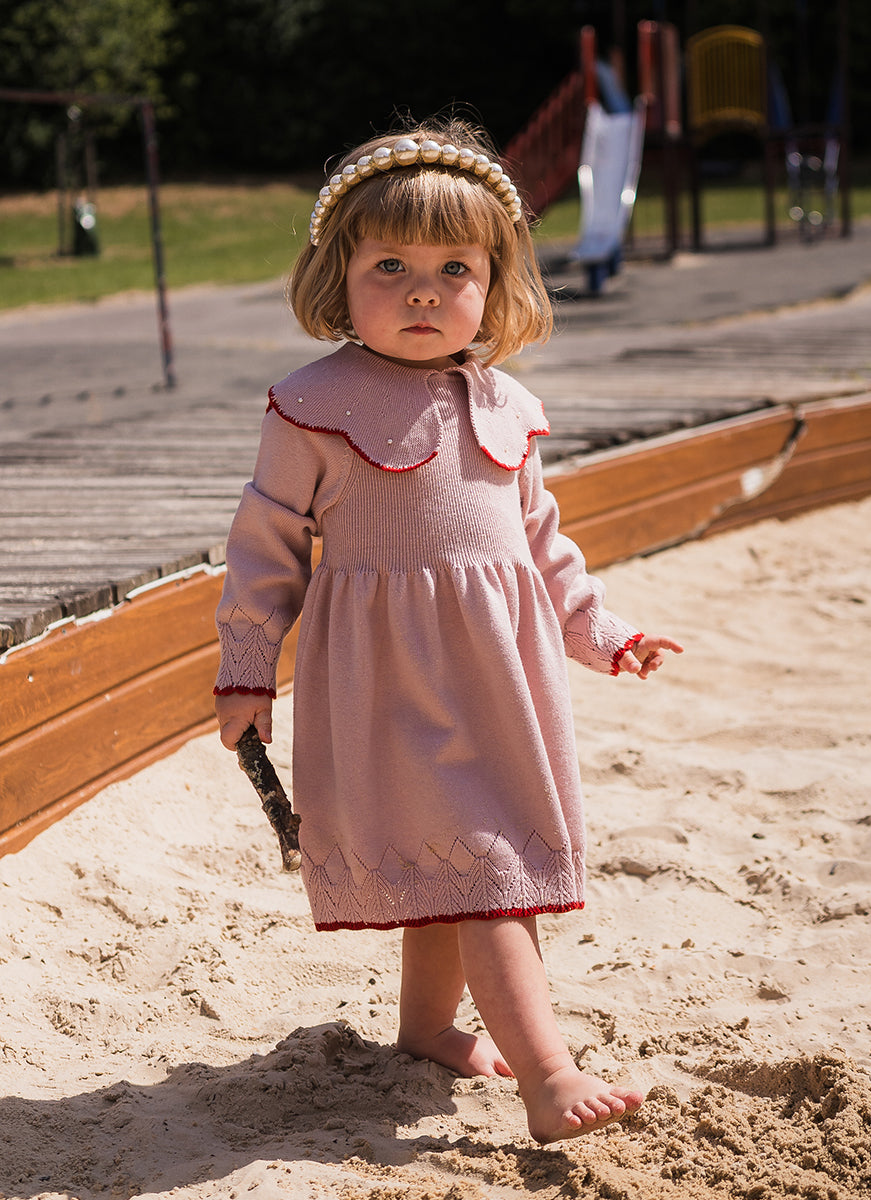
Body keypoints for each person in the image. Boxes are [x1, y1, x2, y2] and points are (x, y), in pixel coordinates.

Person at [214, 116, 683, 1145]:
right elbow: (264, 546)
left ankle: (427, 1028)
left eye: (453, 268)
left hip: (498, 680)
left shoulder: (508, 404)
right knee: (487, 866)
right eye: (391, 266)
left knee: (455, 862)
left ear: (495, 280)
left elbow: (544, 546)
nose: (423, 292)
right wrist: (246, 669)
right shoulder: (312, 406)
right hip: (389, 687)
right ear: (338, 277)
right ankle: (549, 1076)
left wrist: (606, 635)